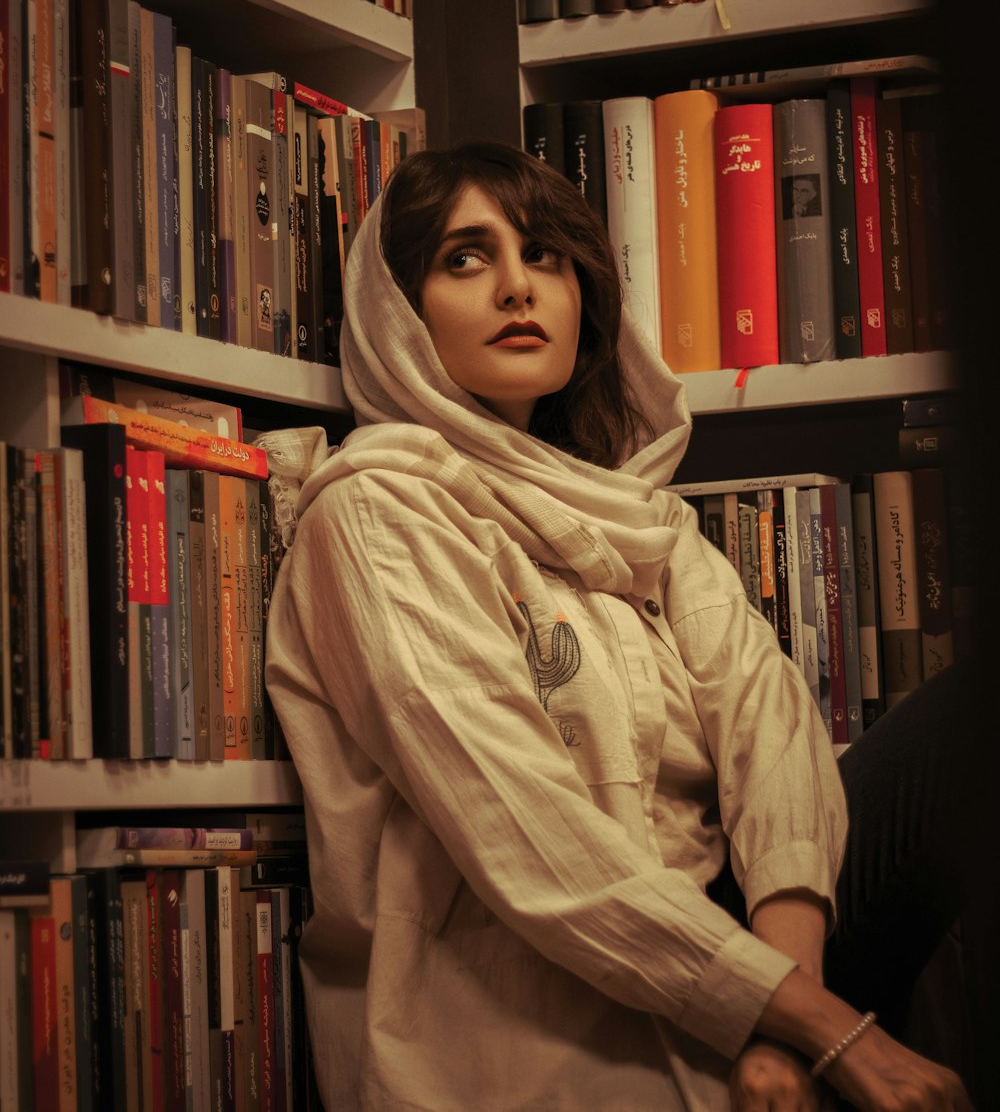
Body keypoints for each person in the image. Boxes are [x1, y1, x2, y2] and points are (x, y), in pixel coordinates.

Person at [263, 142, 979, 1111]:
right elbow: (528, 836)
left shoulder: (637, 514)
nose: (519, 286)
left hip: (754, 960)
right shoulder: (374, 516)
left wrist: (785, 1016)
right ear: (397, 312)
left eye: (546, 254)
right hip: (543, 1010)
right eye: (465, 257)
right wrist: (823, 1026)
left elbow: (772, 731)